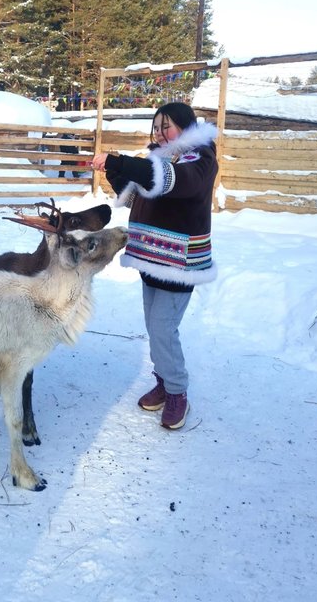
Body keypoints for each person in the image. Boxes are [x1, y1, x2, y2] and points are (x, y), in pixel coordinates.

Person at [92, 102, 218, 430]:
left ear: (186, 126)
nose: (161, 133)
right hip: (152, 256)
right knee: (155, 327)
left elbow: (176, 182)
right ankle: (164, 381)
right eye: (158, 127)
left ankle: (177, 392)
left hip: (180, 262)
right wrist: (116, 173)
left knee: (163, 328)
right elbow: (138, 197)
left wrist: (121, 161)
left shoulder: (200, 159)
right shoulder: (159, 157)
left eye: (168, 126)